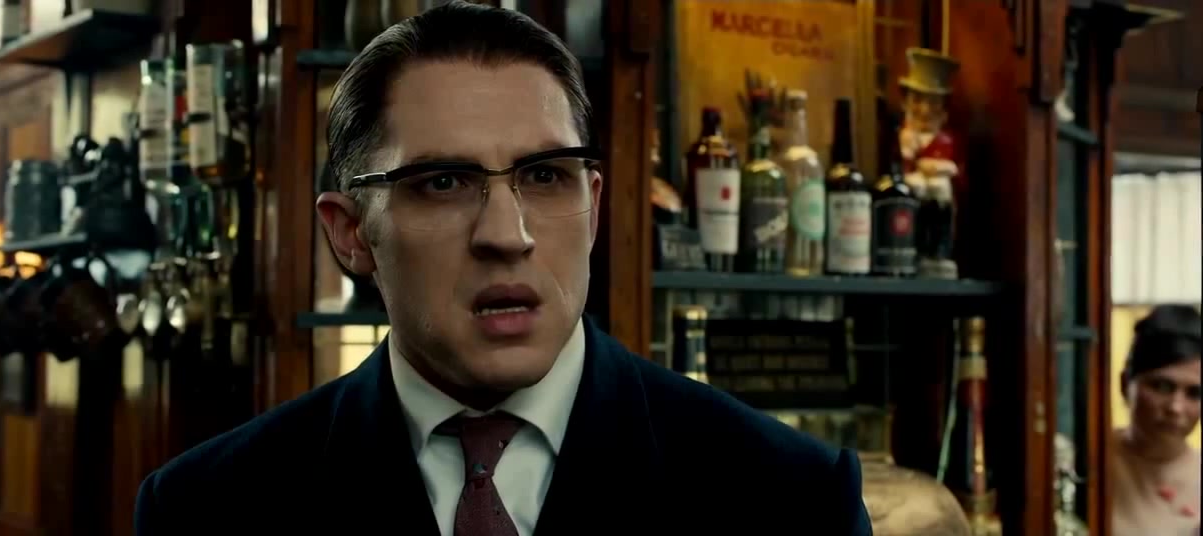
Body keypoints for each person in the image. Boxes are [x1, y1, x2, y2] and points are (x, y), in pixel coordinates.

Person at [133, 2, 871, 535]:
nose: (506, 236)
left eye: (545, 176)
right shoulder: (207, 508)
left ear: (595, 206)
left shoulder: (791, 497)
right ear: (351, 233)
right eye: (442, 183)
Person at [1110, 305, 1202, 536]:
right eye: (1162, 386)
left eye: (1194, 393)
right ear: (1125, 384)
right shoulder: (1087, 461)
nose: (1175, 407)